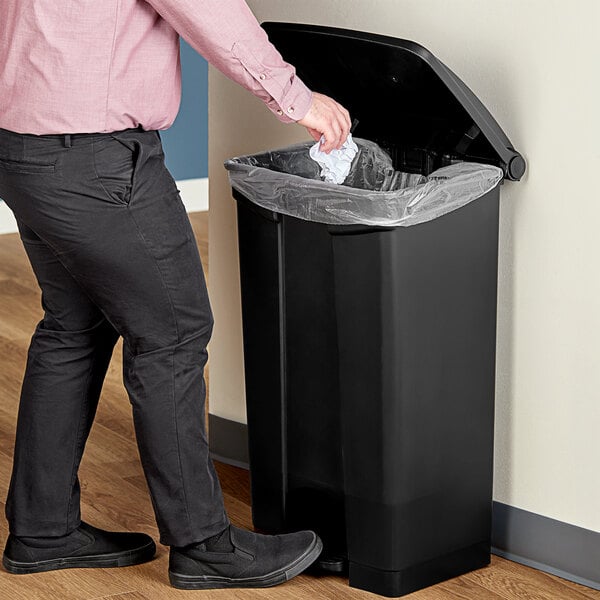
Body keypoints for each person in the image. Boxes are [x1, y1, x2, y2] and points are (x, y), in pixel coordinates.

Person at [0, 0, 351, 590]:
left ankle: (42, 528)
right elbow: (209, 10)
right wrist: (298, 99)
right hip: (98, 158)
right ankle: (203, 543)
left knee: (73, 327)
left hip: (22, 148)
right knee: (173, 334)